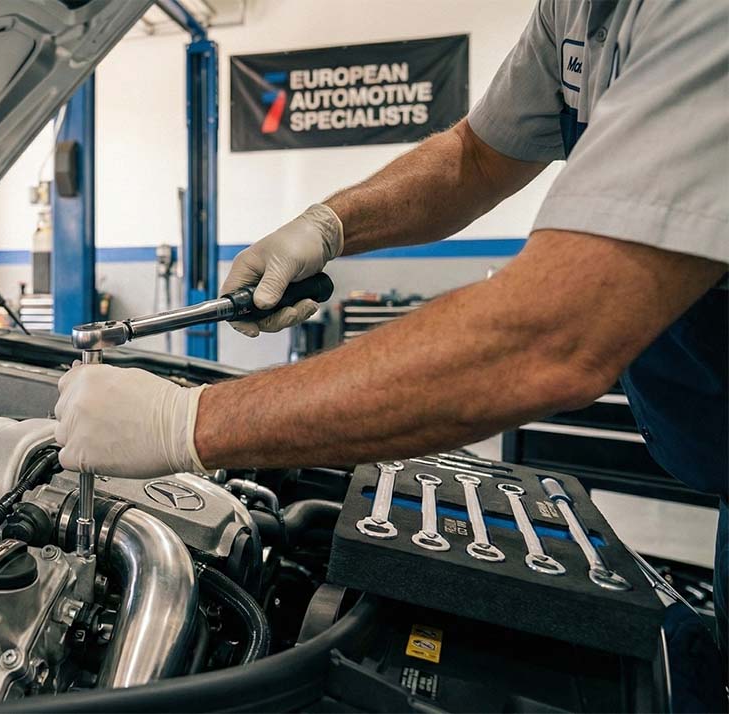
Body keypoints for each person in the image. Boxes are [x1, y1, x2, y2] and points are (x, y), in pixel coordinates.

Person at [55, 0, 727, 676]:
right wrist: (325, 225)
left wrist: (188, 423)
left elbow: (553, 332)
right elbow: (475, 158)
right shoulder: (576, 10)